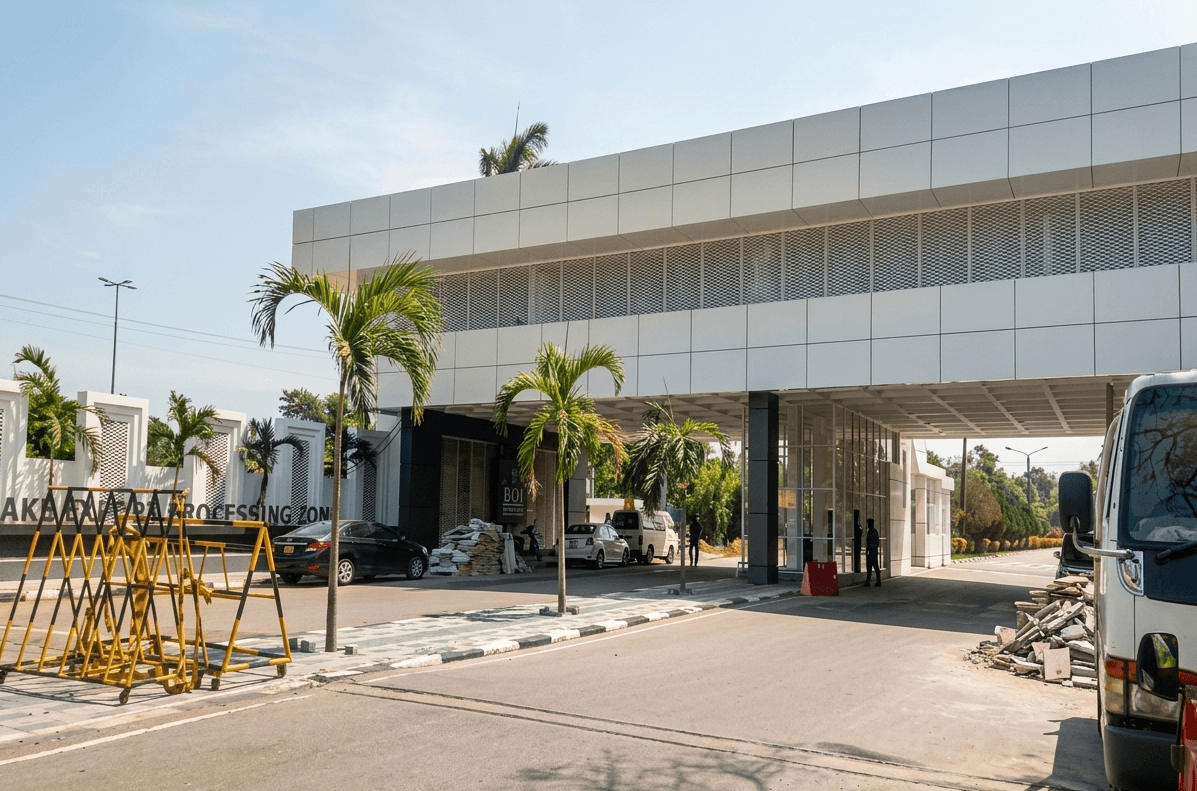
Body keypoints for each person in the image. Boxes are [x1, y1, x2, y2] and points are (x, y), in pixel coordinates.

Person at [864, 517, 881, 587]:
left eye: (868, 523)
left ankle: (869, 581)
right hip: (874, 551)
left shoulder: (870, 531)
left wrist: (868, 551)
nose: (868, 524)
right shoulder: (875, 531)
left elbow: (869, 543)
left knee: (870, 566)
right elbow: (877, 542)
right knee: (875, 566)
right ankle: (876, 580)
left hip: (871, 552)